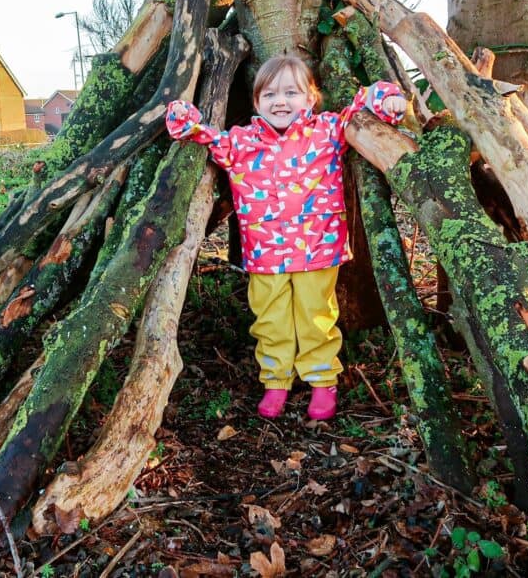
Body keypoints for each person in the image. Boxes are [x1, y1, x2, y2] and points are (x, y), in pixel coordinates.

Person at [165, 54, 406, 420]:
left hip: (317, 248)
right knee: (270, 318)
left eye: (291, 92)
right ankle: (276, 380)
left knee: (316, 316)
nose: (281, 101)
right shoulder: (243, 142)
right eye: (270, 94)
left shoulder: (327, 130)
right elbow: (205, 136)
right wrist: (184, 118)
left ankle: (322, 380)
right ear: (257, 102)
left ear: (311, 98)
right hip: (265, 253)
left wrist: (387, 97)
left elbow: (363, 105)